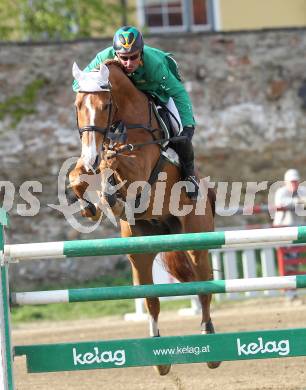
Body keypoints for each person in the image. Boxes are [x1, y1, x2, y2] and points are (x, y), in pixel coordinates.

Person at [72, 25, 199, 199]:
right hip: (124, 100)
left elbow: (178, 92)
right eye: (124, 58)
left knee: (178, 131)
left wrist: (188, 124)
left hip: (157, 93)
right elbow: (78, 84)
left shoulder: (155, 64)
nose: (129, 63)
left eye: (134, 57)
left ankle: (190, 174)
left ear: (141, 52)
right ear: (116, 54)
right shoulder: (103, 58)